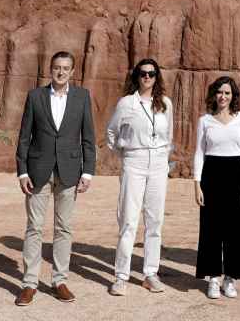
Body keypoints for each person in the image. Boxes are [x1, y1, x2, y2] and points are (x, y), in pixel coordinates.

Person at [14, 51, 96, 307]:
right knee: (34, 227)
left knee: (63, 228)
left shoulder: (82, 97)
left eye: (66, 68)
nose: (61, 72)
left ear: (73, 71)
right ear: (50, 70)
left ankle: (59, 280)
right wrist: (22, 171)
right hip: (38, 171)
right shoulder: (35, 96)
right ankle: (29, 283)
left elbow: (88, 138)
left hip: (70, 171)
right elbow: (24, 136)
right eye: (57, 67)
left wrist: (88, 171)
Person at [106, 58, 174, 296]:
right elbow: (112, 132)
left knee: (155, 221)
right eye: (143, 73)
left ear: (157, 77)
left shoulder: (165, 103)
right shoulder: (126, 103)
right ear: (136, 76)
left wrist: (163, 160)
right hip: (133, 161)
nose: (147, 77)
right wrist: (125, 154)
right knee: (128, 220)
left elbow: (169, 136)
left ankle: (150, 273)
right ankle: (121, 276)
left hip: (157, 163)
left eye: (152, 73)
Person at [193, 76, 240, 299]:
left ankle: (230, 278)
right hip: (211, 175)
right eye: (219, 92)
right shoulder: (205, 121)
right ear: (214, 94)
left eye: (227, 93)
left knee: (235, 229)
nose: (223, 96)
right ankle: (213, 277)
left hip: (236, 175)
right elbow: (199, 153)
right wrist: (197, 185)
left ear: (233, 96)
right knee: (210, 228)